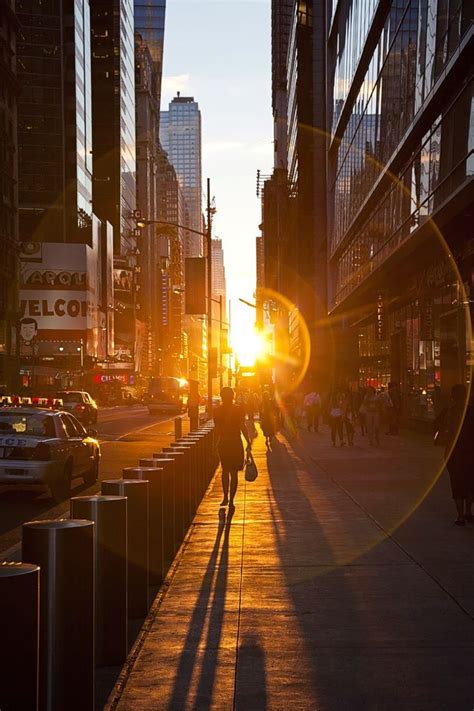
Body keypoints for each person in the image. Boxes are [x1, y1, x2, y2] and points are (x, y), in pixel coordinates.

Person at [213, 387, 251, 509]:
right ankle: (232, 500)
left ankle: (225, 497)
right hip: (235, 443)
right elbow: (242, 426)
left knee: (225, 470)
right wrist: (248, 441)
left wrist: (214, 444)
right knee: (234, 473)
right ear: (233, 396)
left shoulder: (217, 411)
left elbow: (217, 430)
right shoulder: (238, 410)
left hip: (224, 443)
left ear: (222, 397)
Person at [444, 384, 474, 526]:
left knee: (457, 483)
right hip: (470, 452)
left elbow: (438, 428)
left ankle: (460, 515)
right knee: (470, 482)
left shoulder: (449, 412)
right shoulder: (471, 412)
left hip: (454, 453)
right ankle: (469, 511)